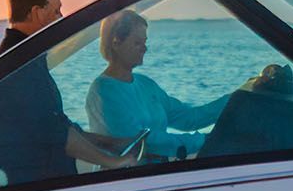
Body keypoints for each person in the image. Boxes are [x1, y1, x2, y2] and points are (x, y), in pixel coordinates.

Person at [0, 0, 76, 184]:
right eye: (56, 11)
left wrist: (107, 143)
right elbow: (57, 133)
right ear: (37, 13)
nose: (61, 18)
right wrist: (111, 160)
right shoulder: (18, 68)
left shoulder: (20, 58)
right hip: (29, 190)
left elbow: (58, 125)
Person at [87, 9, 230, 161]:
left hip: (158, 173)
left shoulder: (145, 84)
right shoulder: (102, 91)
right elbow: (140, 143)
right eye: (137, 42)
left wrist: (233, 100)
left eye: (145, 42)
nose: (145, 48)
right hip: (126, 178)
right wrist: (205, 140)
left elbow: (188, 118)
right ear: (116, 42)